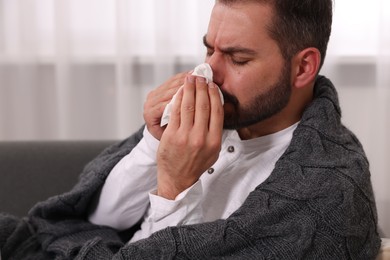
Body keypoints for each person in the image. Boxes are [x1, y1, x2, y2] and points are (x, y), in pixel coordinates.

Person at [0, 0, 381, 259]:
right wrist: (153, 145)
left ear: (302, 68)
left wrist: (173, 190)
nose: (210, 73)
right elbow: (94, 221)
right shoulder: (226, 112)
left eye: (238, 58)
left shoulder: (330, 192)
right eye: (209, 49)